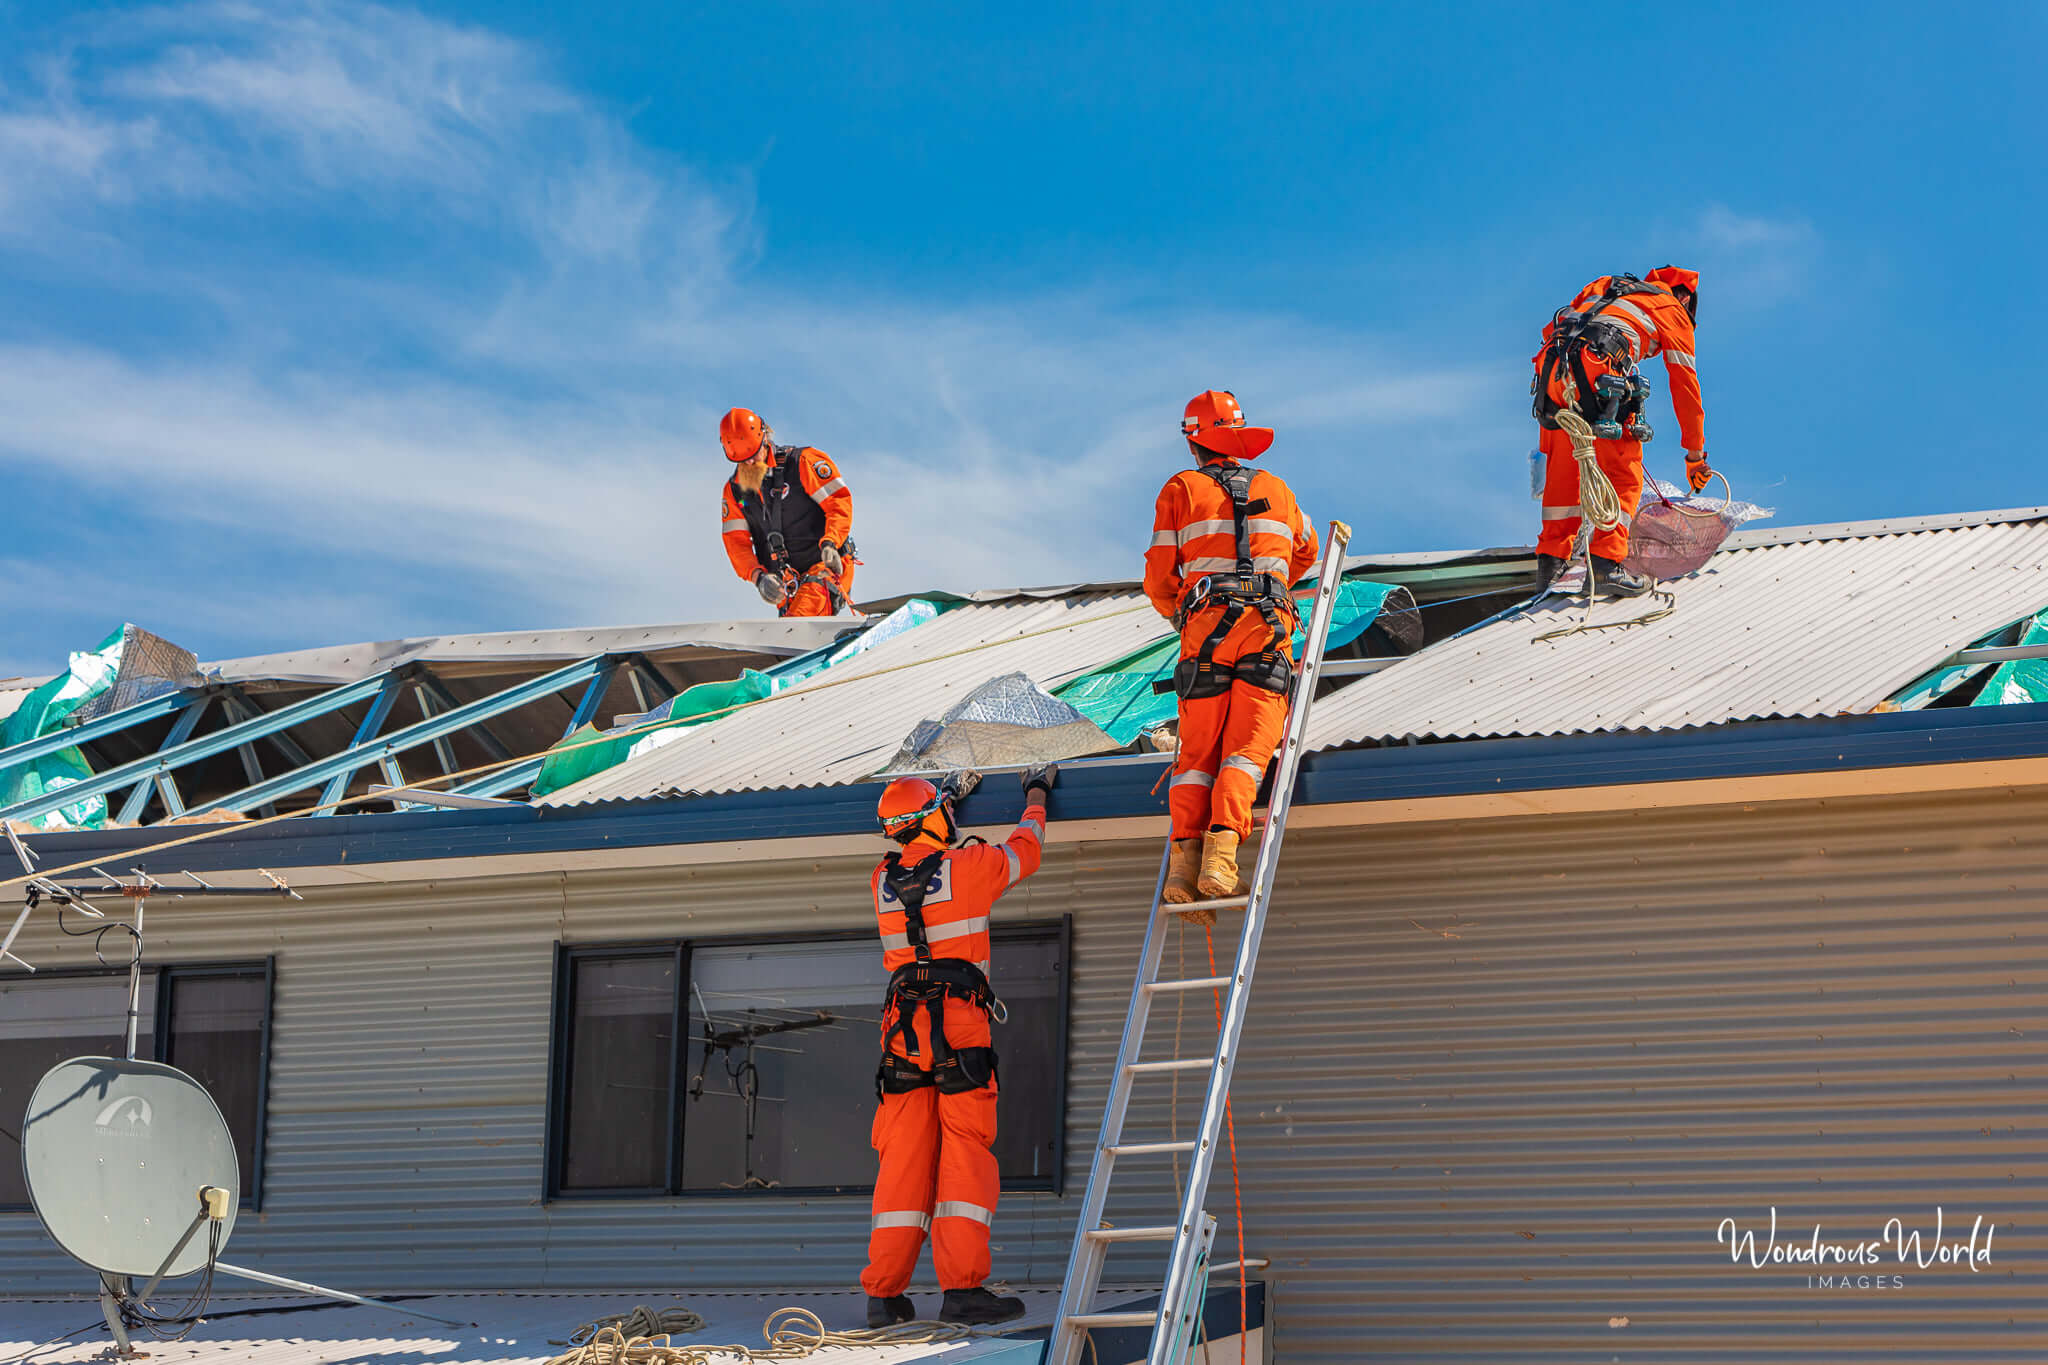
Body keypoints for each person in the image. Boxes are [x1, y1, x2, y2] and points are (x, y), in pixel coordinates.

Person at [860, 765, 1057, 1328]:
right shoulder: (969, 867)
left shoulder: (879, 881)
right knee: (964, 1152)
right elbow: (1026, 849)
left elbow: (919, 849)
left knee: (902, 1161)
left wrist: (942, 799)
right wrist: (1036, 794)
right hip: (959, 1025)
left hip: (902, 1033)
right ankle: (963, 1289)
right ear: (932, 821)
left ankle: (885, 1297)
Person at [1143, 391, 1319, 910]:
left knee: (1197, 754)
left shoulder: (1180, 489)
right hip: (1265, 628)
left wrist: (1181, 612)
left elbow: (1158, 576)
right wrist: (1271, 583)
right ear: (1237, 438)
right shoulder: (1278, 489)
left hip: (1205, 630)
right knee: (1247, 748)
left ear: (1194, 442)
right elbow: (1304, 549)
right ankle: (1221, 858)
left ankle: (1185, 863)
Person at [1530, 266, 1714, 597]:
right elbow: (1685, 385)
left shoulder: (1611, 285)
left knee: (1565, 463)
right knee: (1624, 469)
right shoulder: (1672, 309)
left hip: (1553, 366)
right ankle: (1605, 563)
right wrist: (1695, 455)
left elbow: (1554, 325)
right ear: (1685, 297)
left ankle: (1551, 562)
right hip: (1598, 362)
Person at [717, 407, 856, 616]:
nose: (749, 463)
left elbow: (838, 503)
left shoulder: (802, 462)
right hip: (789, 586)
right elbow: (736, 543)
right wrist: (758, 577)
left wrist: (831, 543)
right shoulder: (735, 492)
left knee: (797, 625)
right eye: (742, 460)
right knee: (791, 632)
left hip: (825, 567)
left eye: (753, 455)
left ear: (764, 439)